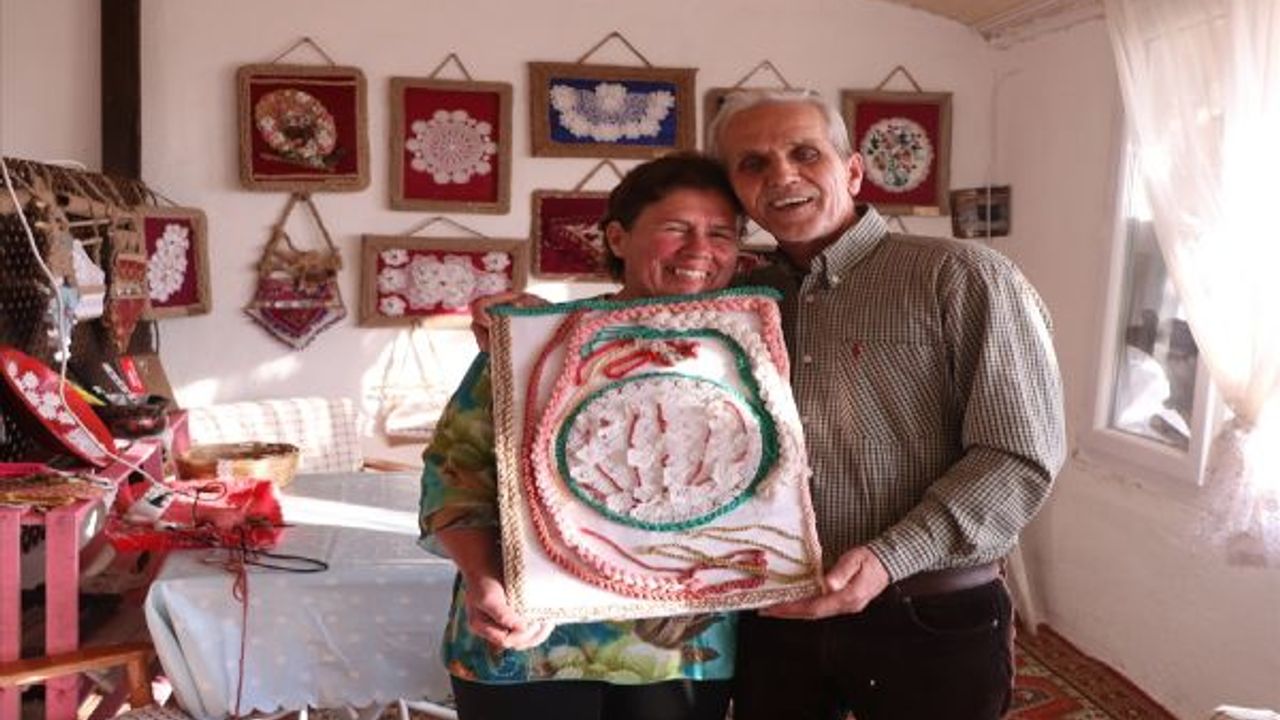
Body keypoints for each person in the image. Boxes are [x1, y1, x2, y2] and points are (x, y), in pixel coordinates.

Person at [703, 89, 1067, 720]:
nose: (781, 175)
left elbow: (1018, 458)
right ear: (735, 191)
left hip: (929, 613)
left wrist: (888, 557)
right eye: (753, 163)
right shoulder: (739, 297)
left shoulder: (964, 276)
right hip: (776, 619)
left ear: (851, 170)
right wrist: (530, 321)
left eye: (804, 153)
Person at [419, 153, 745, 720]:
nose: (700, 250)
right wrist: (485, 581)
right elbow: (456, 474)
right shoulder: (538, 342)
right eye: (676, 228)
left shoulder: (745, 356)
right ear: (617, 238)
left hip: (678, 650)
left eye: (721, 233)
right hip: (528, 638)